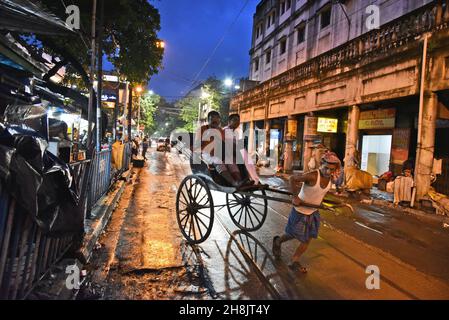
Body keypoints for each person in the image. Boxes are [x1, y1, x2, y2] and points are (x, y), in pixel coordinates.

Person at [272, 151, 342, 273]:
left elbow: (319, 193)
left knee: (307, 239)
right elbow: (293, 179)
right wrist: (295, 197)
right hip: (300, 210)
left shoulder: (330, 178)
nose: (328, 172)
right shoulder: (313, 176)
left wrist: (326, 203)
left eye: (331, 169)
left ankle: (295, 260)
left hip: (313, 212)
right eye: (326, 168)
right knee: (292, 234)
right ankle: (278, 241)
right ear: (321, 164)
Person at [194, 111, 242, 188]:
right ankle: (233, 182)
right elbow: (196, 145)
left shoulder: (220, 130)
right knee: (217, 160)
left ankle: (239, 181)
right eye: (212, 118)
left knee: (231, 161)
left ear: (219, 121)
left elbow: (224, 143)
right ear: (208, 120)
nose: (215, 121)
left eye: (217, 119)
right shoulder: (202, 129)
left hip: (219, 152)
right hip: (206, 153)